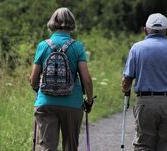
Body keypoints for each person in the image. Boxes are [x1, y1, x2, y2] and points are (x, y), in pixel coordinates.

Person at [121, 13, 167, 151]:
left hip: (145, 104)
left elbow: (127, 81)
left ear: (145, 29)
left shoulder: (137, 48)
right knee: (166, 146)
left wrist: (125, 89)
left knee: (143, 146)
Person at [29, 7, 94, 151]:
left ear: (52, 23)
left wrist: (37, 90)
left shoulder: (43, 45)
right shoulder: (77, 46)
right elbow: (86, 79)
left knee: (47, 147)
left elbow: (33, 78)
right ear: (71, 23)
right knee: (70, 146)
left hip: (46, 102)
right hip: (72, 103)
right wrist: (89, 101)